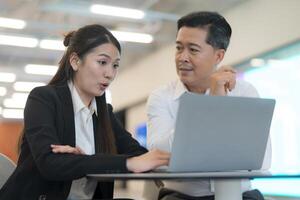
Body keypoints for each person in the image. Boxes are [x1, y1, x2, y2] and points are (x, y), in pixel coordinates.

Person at [0, 24, 170, 200]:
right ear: (75, 61)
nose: (110, 73)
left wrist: (83, 161)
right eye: (102, 62)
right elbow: (50, 164)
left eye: (115, 65)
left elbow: (136, 153)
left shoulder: (104, 113)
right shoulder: (43, 99)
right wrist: (95, 162)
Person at [147, 11, 271, 200]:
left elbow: (261, 160)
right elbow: (159, 158)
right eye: (179, 48)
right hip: (182, 197)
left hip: (241, 195)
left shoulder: (245, 92)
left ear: (219, 56)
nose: (182, 57)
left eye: (193, 50)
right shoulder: (161, 97)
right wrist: (211, 102)